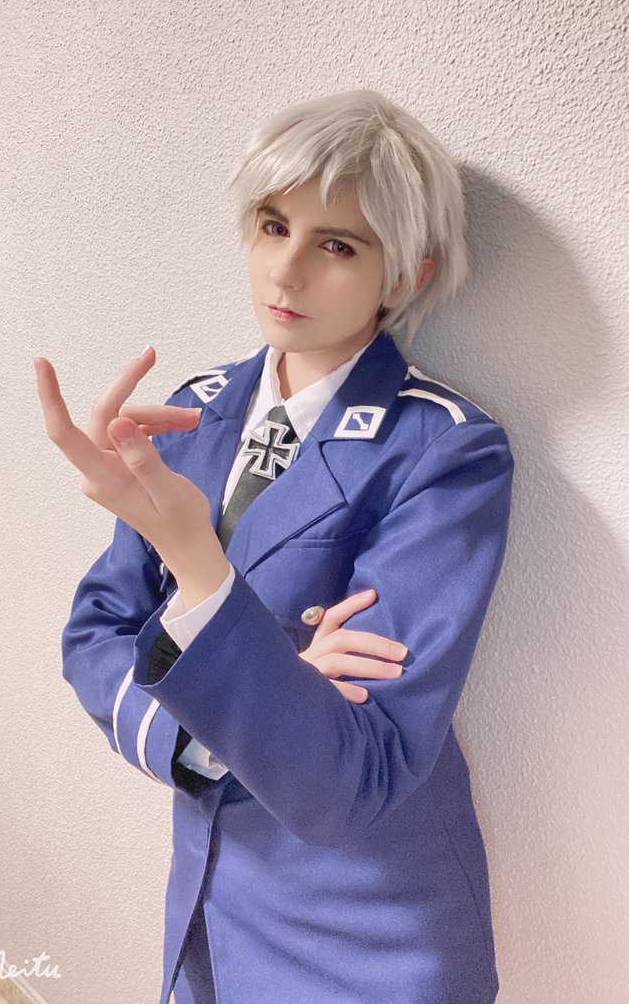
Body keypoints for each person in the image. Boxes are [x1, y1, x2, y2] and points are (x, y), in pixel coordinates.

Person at [34, 88, 514, 1004]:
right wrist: (227, 722)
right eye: (272, 225)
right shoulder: (195, 410)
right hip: (208, 892)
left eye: (337, 246)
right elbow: (95, 633)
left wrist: (194, 562)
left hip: (365, 922)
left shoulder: (445, 452)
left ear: (404, 278)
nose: (284, 272)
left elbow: (352, 773)